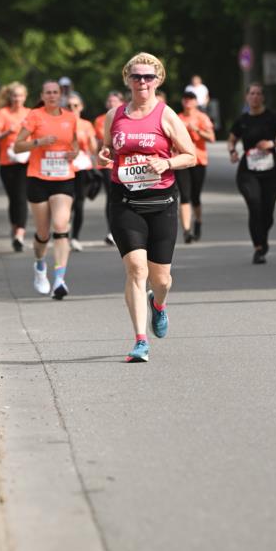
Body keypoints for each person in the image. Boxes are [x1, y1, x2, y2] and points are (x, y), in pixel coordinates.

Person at [99, 52, 196, 363]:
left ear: (158, 80)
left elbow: (190, 155)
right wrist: (104, 155)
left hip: (162, 201)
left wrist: (165, 162)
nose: (142, 82)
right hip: (124, 201)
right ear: (127, 79)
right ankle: (140, 340)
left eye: (148, 77)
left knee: (161, 279)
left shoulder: (167, 116)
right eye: (136, 76)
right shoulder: (114, 116)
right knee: (136, 270)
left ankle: (159, 304)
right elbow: (107, 148)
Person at [14, 82, 79, 299]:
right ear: (42, 95)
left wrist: (74, 153)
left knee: (61, 225)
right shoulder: (35, 116)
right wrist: (38, 142)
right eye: (48, 92)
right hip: (38, 178)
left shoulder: (70, 117)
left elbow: (76, 143)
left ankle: (59, 279)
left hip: (63, 177)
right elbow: (17, 145)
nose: (52, 96)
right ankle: (40, 265)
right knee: (43, 233)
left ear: (61, 95)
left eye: (55, 92)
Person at [228, 82, 276, 264]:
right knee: (255, 206)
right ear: (247, 97)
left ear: (262, 97)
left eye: (258, 94)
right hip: (248, 172)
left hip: (271, 172)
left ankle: (263, 238)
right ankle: (258, 248)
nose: (254, 97)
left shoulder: (273, 118)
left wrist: (273, 144)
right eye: (251, 94)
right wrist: (232, 152)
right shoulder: (242, 120)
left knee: (267, 212)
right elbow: (232, 139)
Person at [0, 82, 31, 251]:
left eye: (20, 96)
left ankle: (20, 234)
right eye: (14, 96)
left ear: (25, 97)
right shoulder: (3, 114)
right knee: (13, 198)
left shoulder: (30, 114)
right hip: (7, 162)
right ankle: (15, 230)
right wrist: (7, 132)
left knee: (21, 197)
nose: (17, 99)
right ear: (9, 97)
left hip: (26, 162)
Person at [175, 88, 215, 242]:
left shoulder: (202, 117)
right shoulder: (177, 118)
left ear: (196, 102)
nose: (187, 102)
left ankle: (198, 222)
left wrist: (197, 130)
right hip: (182, 161)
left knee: (195, 196)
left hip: (198, 160)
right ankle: (186, 230)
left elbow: (211, 138)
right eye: (185, 99)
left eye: (190, 99)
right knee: (184, 196)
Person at [93, 90, 124, 245]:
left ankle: (125, 228)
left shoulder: (128, 117)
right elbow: (105, 141)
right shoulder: (101, 119)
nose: (112, 104)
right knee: (112, 196)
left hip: (126, 162)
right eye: (110, 101)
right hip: (108, 163)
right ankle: (112, 230)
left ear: (122, 103)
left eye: (115, 101)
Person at [67, 92, 97, 251]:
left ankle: (75, 237)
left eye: (75, 106)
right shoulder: (61, 123)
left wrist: (92, 142)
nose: (72, 108)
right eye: (69, 106)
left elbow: (93, 148)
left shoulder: (86, 125)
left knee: (79, 202)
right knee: (66, 202)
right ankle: (63, 229)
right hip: (65, 168)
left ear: (81, 107)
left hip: (83, 167)